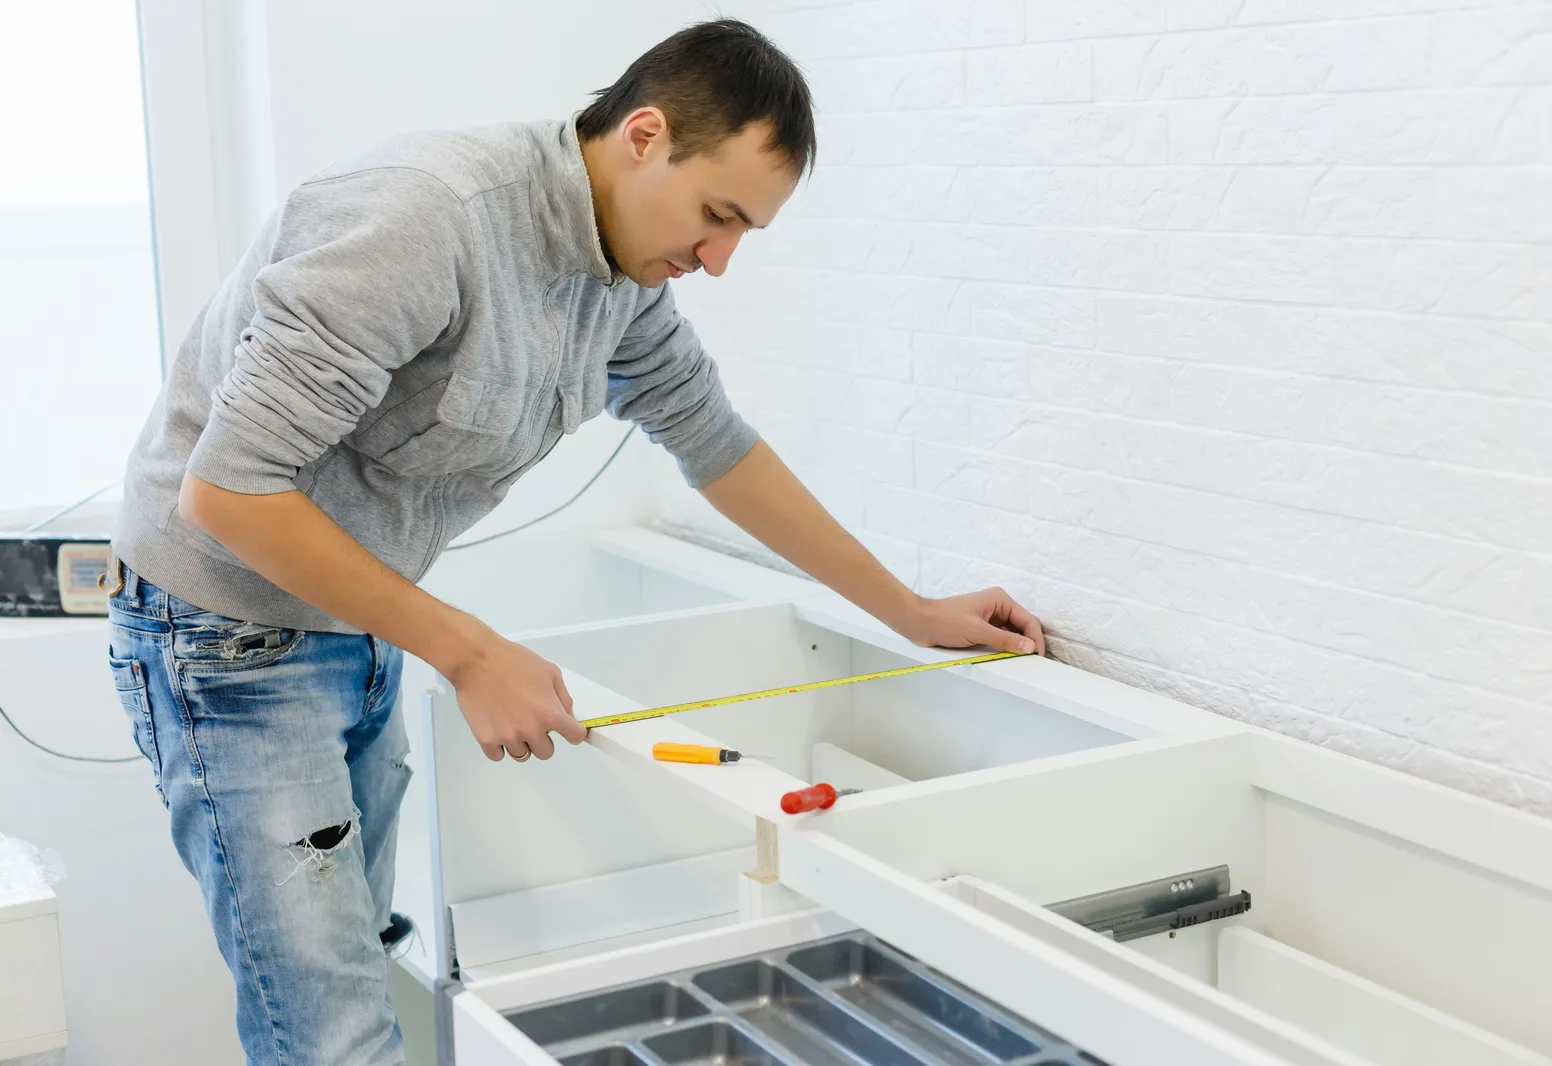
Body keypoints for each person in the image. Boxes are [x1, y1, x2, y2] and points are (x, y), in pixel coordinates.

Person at [104, 18, 1044, 1065]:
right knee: (331, 1034)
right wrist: (466, 650)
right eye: (717, 215)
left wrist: (908, 611)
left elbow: (718, 447)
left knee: (361, 966)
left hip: (354, 618)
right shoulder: (423, 218)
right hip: (226, 633)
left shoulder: (623, 279)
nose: (718, 261)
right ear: (643, 136)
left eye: (746, 235)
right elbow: (227, 491)